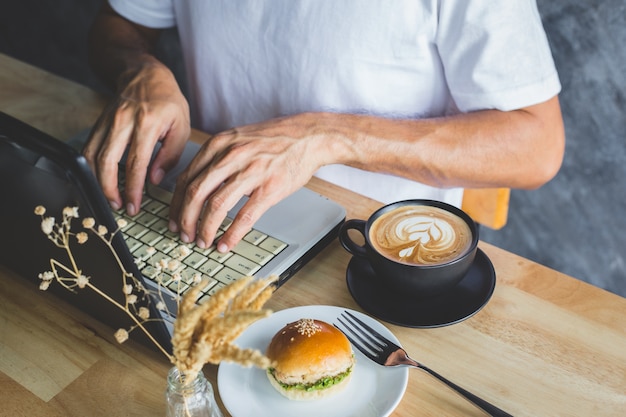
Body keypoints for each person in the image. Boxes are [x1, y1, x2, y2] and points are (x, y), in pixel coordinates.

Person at [84, 0, 565, 255]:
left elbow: (536, 144)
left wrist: (324, 137)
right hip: (202, 216)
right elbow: (118, 24)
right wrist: (139, 70)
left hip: (368, 254)